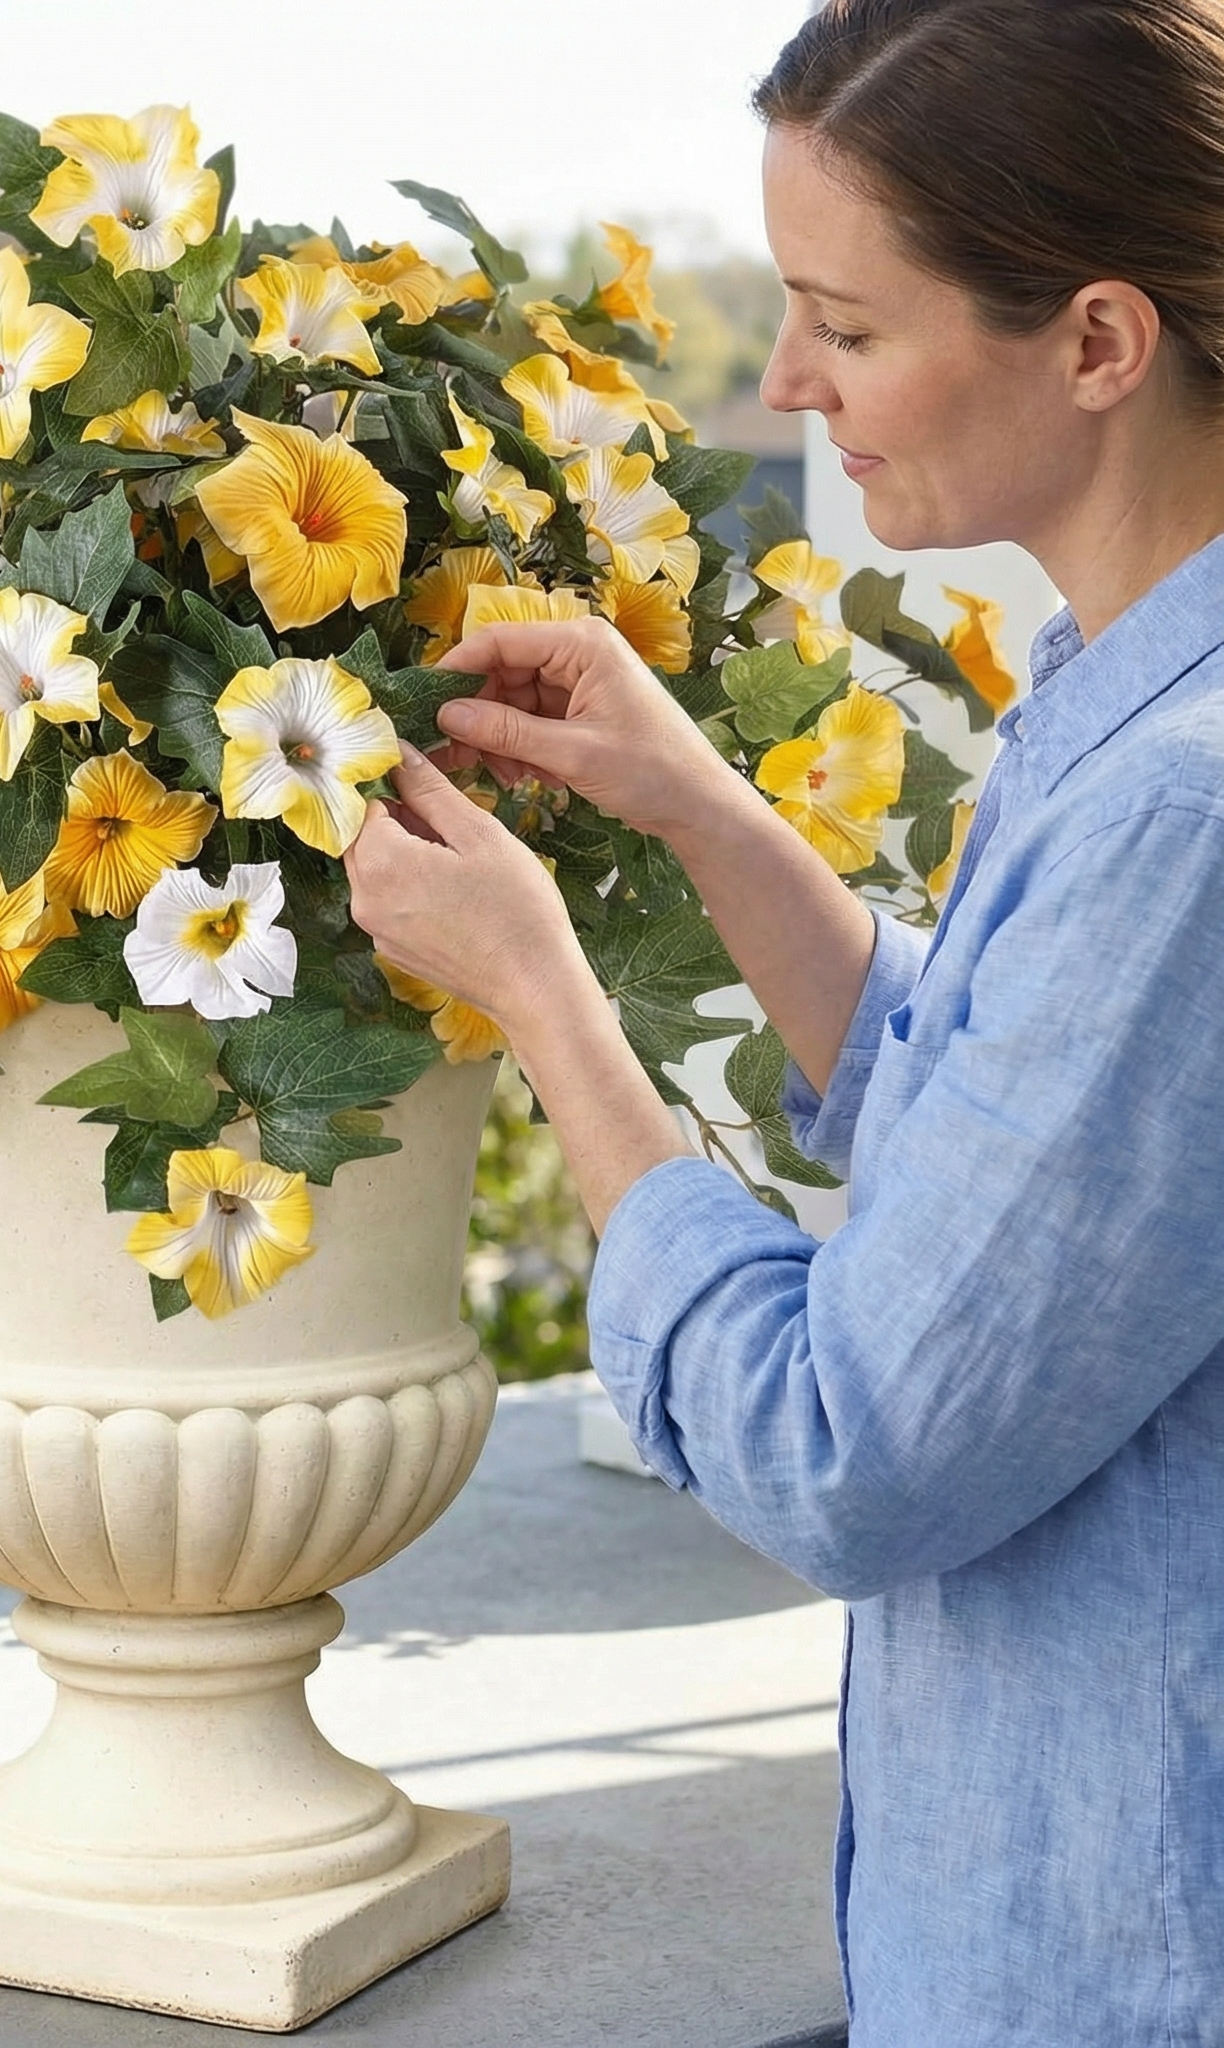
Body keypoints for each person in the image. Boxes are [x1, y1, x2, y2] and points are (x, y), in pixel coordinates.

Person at [343, 1, 1224, 2040]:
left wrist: (546, 997)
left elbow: (851, 1445)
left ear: (1097, 343)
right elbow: (1020, 1151)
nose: (784, 379)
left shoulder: (1184, 802)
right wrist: (702, 808)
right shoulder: (1123, 690)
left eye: (844, 319)